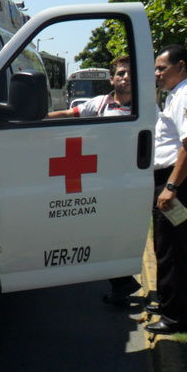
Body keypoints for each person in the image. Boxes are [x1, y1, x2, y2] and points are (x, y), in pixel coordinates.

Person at [49, 56, 143, 305]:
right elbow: (70, 113)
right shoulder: (101, 103)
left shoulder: (144, 107)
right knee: (104, 231)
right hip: (100, 179)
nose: (125, 78)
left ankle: (122, 283)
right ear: (111, 78)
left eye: (130, 74)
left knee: (116, 232)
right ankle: (122, 283)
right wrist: (39, 118)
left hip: (128, 180)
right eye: (121, 73)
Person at [147, 44, 187, 334]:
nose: (157, 73)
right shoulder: (178, 94)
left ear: (181, 66)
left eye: (162, 68)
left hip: (177, 182)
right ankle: (171, 302)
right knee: (168, 246)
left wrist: (171, 186)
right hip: (171, 180)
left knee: (172, 249)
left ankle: (177, 317)